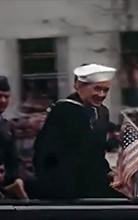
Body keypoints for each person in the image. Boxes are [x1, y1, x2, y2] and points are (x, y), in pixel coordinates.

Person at [33, 63, 120, 200]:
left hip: (95, 185)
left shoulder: (102, 112)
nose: (101, 95)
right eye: (97, 88)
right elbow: (46, 153)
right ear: (79, 86)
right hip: (67, 189)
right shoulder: (63, 111)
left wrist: (108, 173)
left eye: (105, 90)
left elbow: (96, 153)